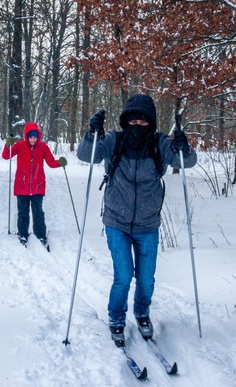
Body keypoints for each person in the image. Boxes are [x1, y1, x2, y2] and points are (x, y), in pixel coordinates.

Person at [77, 94, 197, 346]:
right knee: (123, 275)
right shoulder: (113, 140)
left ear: (151, 122)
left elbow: (186, 161)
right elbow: (87, 156)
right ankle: (117, 317)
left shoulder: (159, 143)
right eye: (133, 121)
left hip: (147, 224)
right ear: (125, 120)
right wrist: (91, 133)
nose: (138, 125)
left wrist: (184, 147)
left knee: (146, 277)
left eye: (143, 122)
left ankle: (142, 313)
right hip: (116, 222)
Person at [2, 122, 67, 248]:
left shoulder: (43, 147)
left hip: (38, 186)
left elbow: (51, 162)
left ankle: (40, 236)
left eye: (35, 137)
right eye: (30, 137)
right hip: (22, 186)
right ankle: (23, 234)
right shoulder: (20, 146)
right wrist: (7, 145)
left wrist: (60, 162)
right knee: (23, 213)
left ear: (38, 136)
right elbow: (6, 156)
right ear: (26, 136)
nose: (33, 139)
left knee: (38, 213)